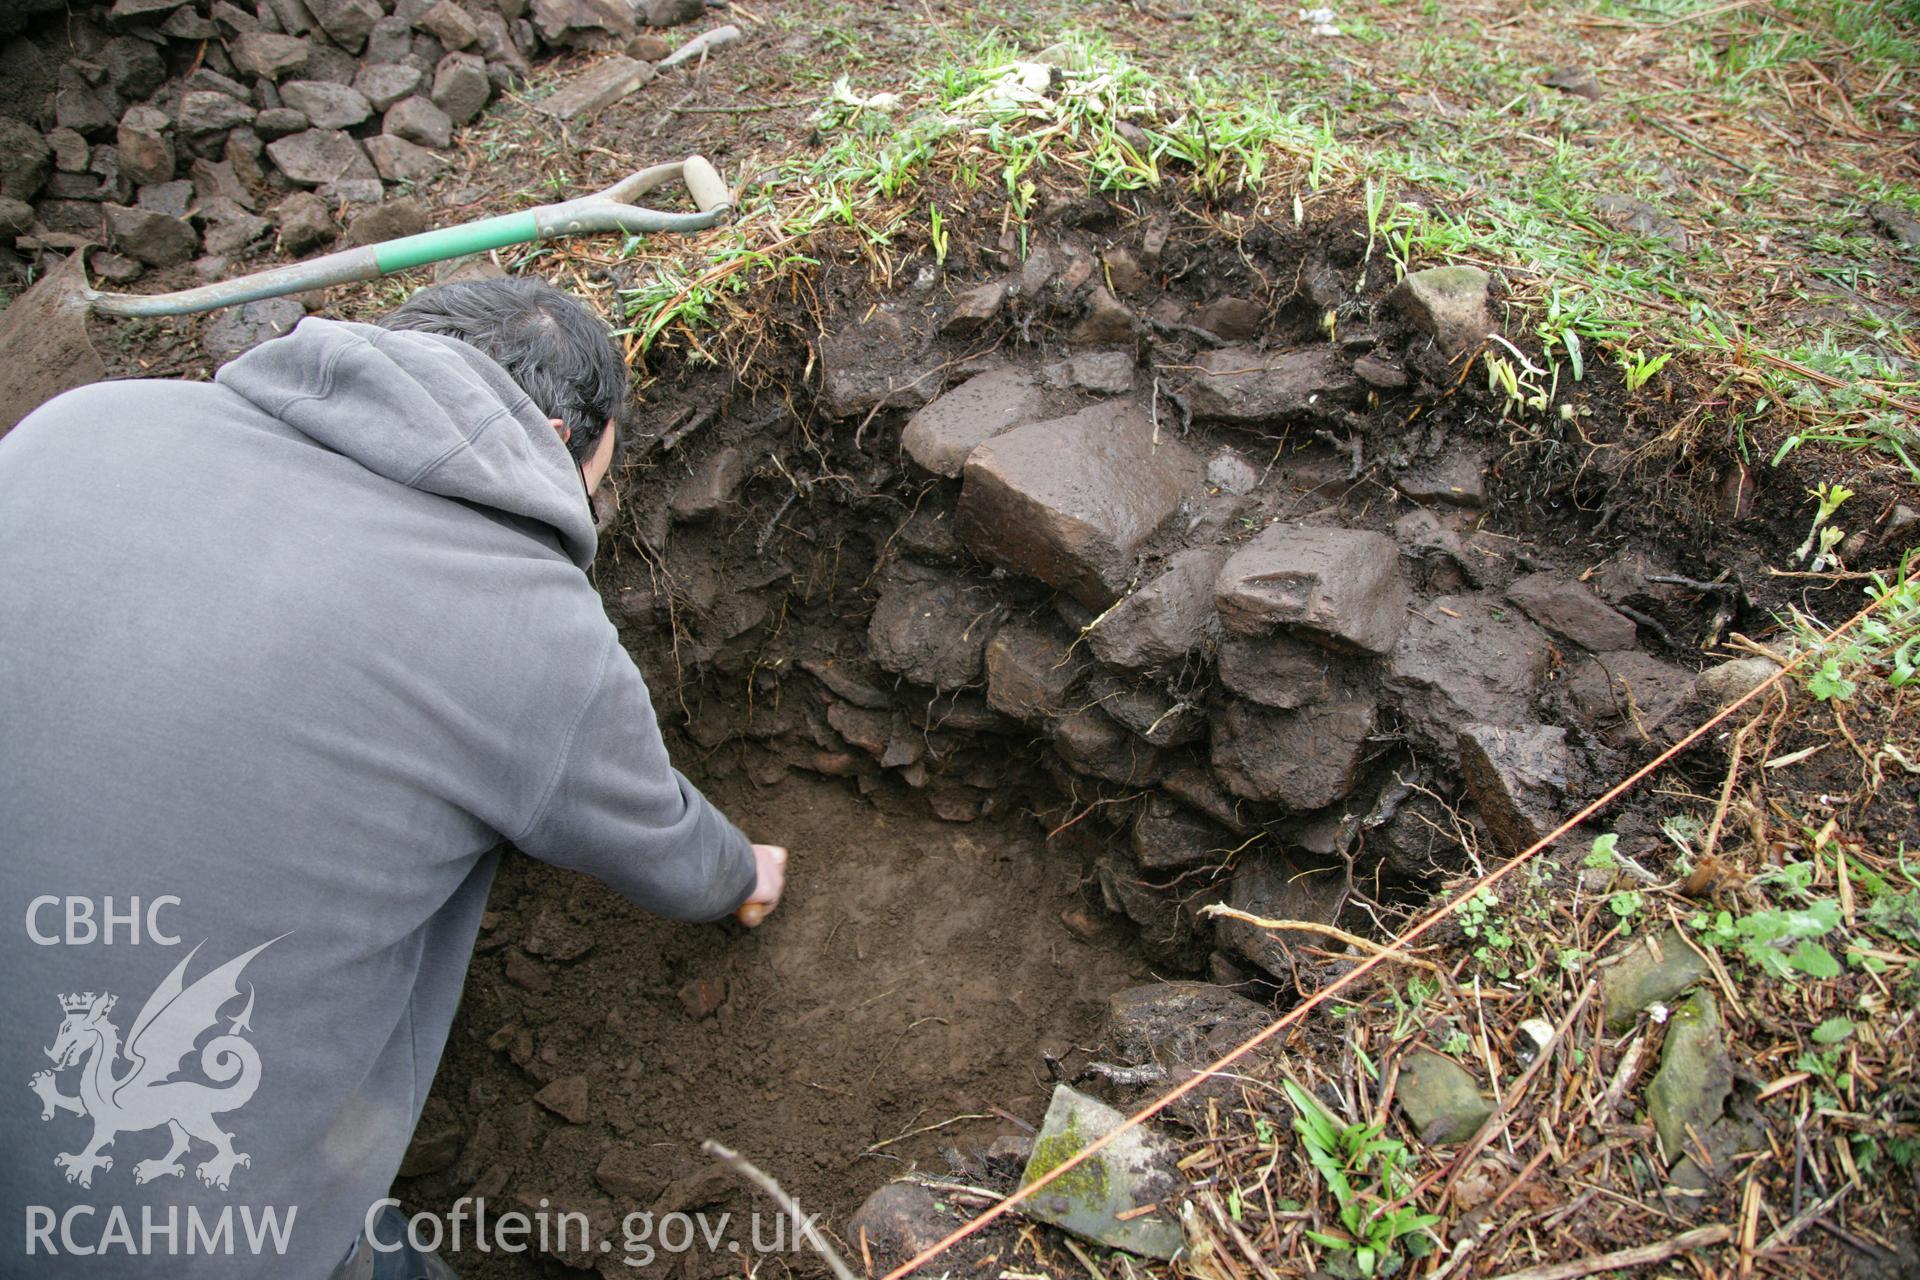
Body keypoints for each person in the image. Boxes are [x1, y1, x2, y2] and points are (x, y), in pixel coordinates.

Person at [0, 277, 785, 1279]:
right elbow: (663, 846)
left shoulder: (81, 423)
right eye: (598, 477)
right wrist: (742, 874)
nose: (591, 503)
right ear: (552, 435)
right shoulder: (523, 615)